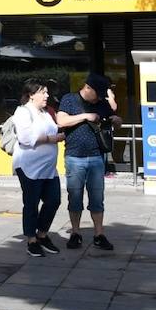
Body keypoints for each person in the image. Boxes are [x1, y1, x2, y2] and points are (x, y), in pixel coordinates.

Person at [57, 72, 120, 250]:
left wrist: (116, 121)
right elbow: (61, 120)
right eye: (97, 94)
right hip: (74, 157)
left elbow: (115, 121)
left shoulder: (101, 103)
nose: (99, 98)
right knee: (75, 196)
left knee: (97, 198)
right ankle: (75, 233)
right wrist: (85, 116)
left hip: (97, 157)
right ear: (88, 88)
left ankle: (99, 234)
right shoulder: (69, 99)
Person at [13, 79, 65, 257]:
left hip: (48, 168)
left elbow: (53, 129)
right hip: (29, 167)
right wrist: (51, 139)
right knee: (31, 203)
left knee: (54, 200)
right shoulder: (23, 112)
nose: (47, 95)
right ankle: (31, 240)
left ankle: (42, 234)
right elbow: (26, 138)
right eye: (43, 92)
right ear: (31, 95)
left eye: (47, 92)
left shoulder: (46, 112)